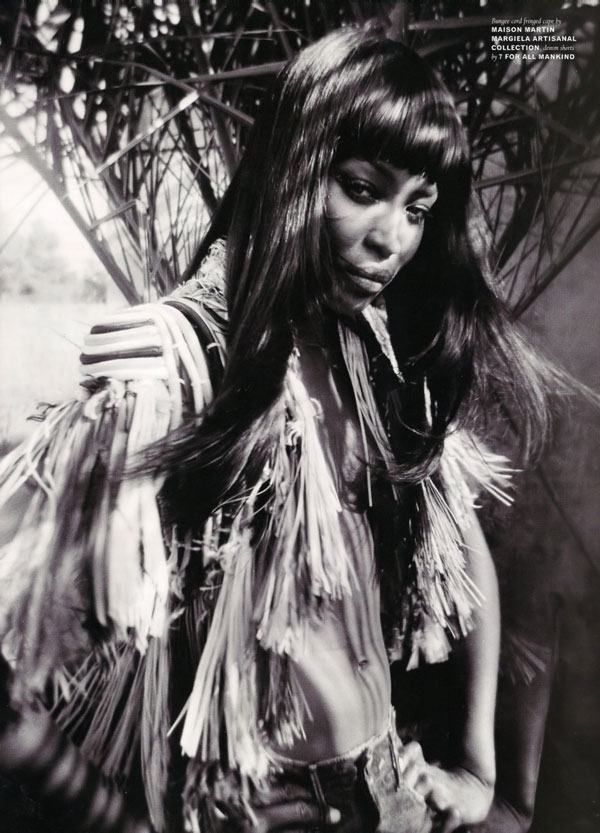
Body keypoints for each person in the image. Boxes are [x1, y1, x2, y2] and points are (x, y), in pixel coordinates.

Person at [0, 23, 553, 833]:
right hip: (250, 810)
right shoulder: (172, 366)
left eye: (418, 208)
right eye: (362, 188)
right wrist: (110, 818)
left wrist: (476, 768)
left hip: (387, 792)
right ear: (292, 170)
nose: (392, 239)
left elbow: (457, 546)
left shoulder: (370, 353)